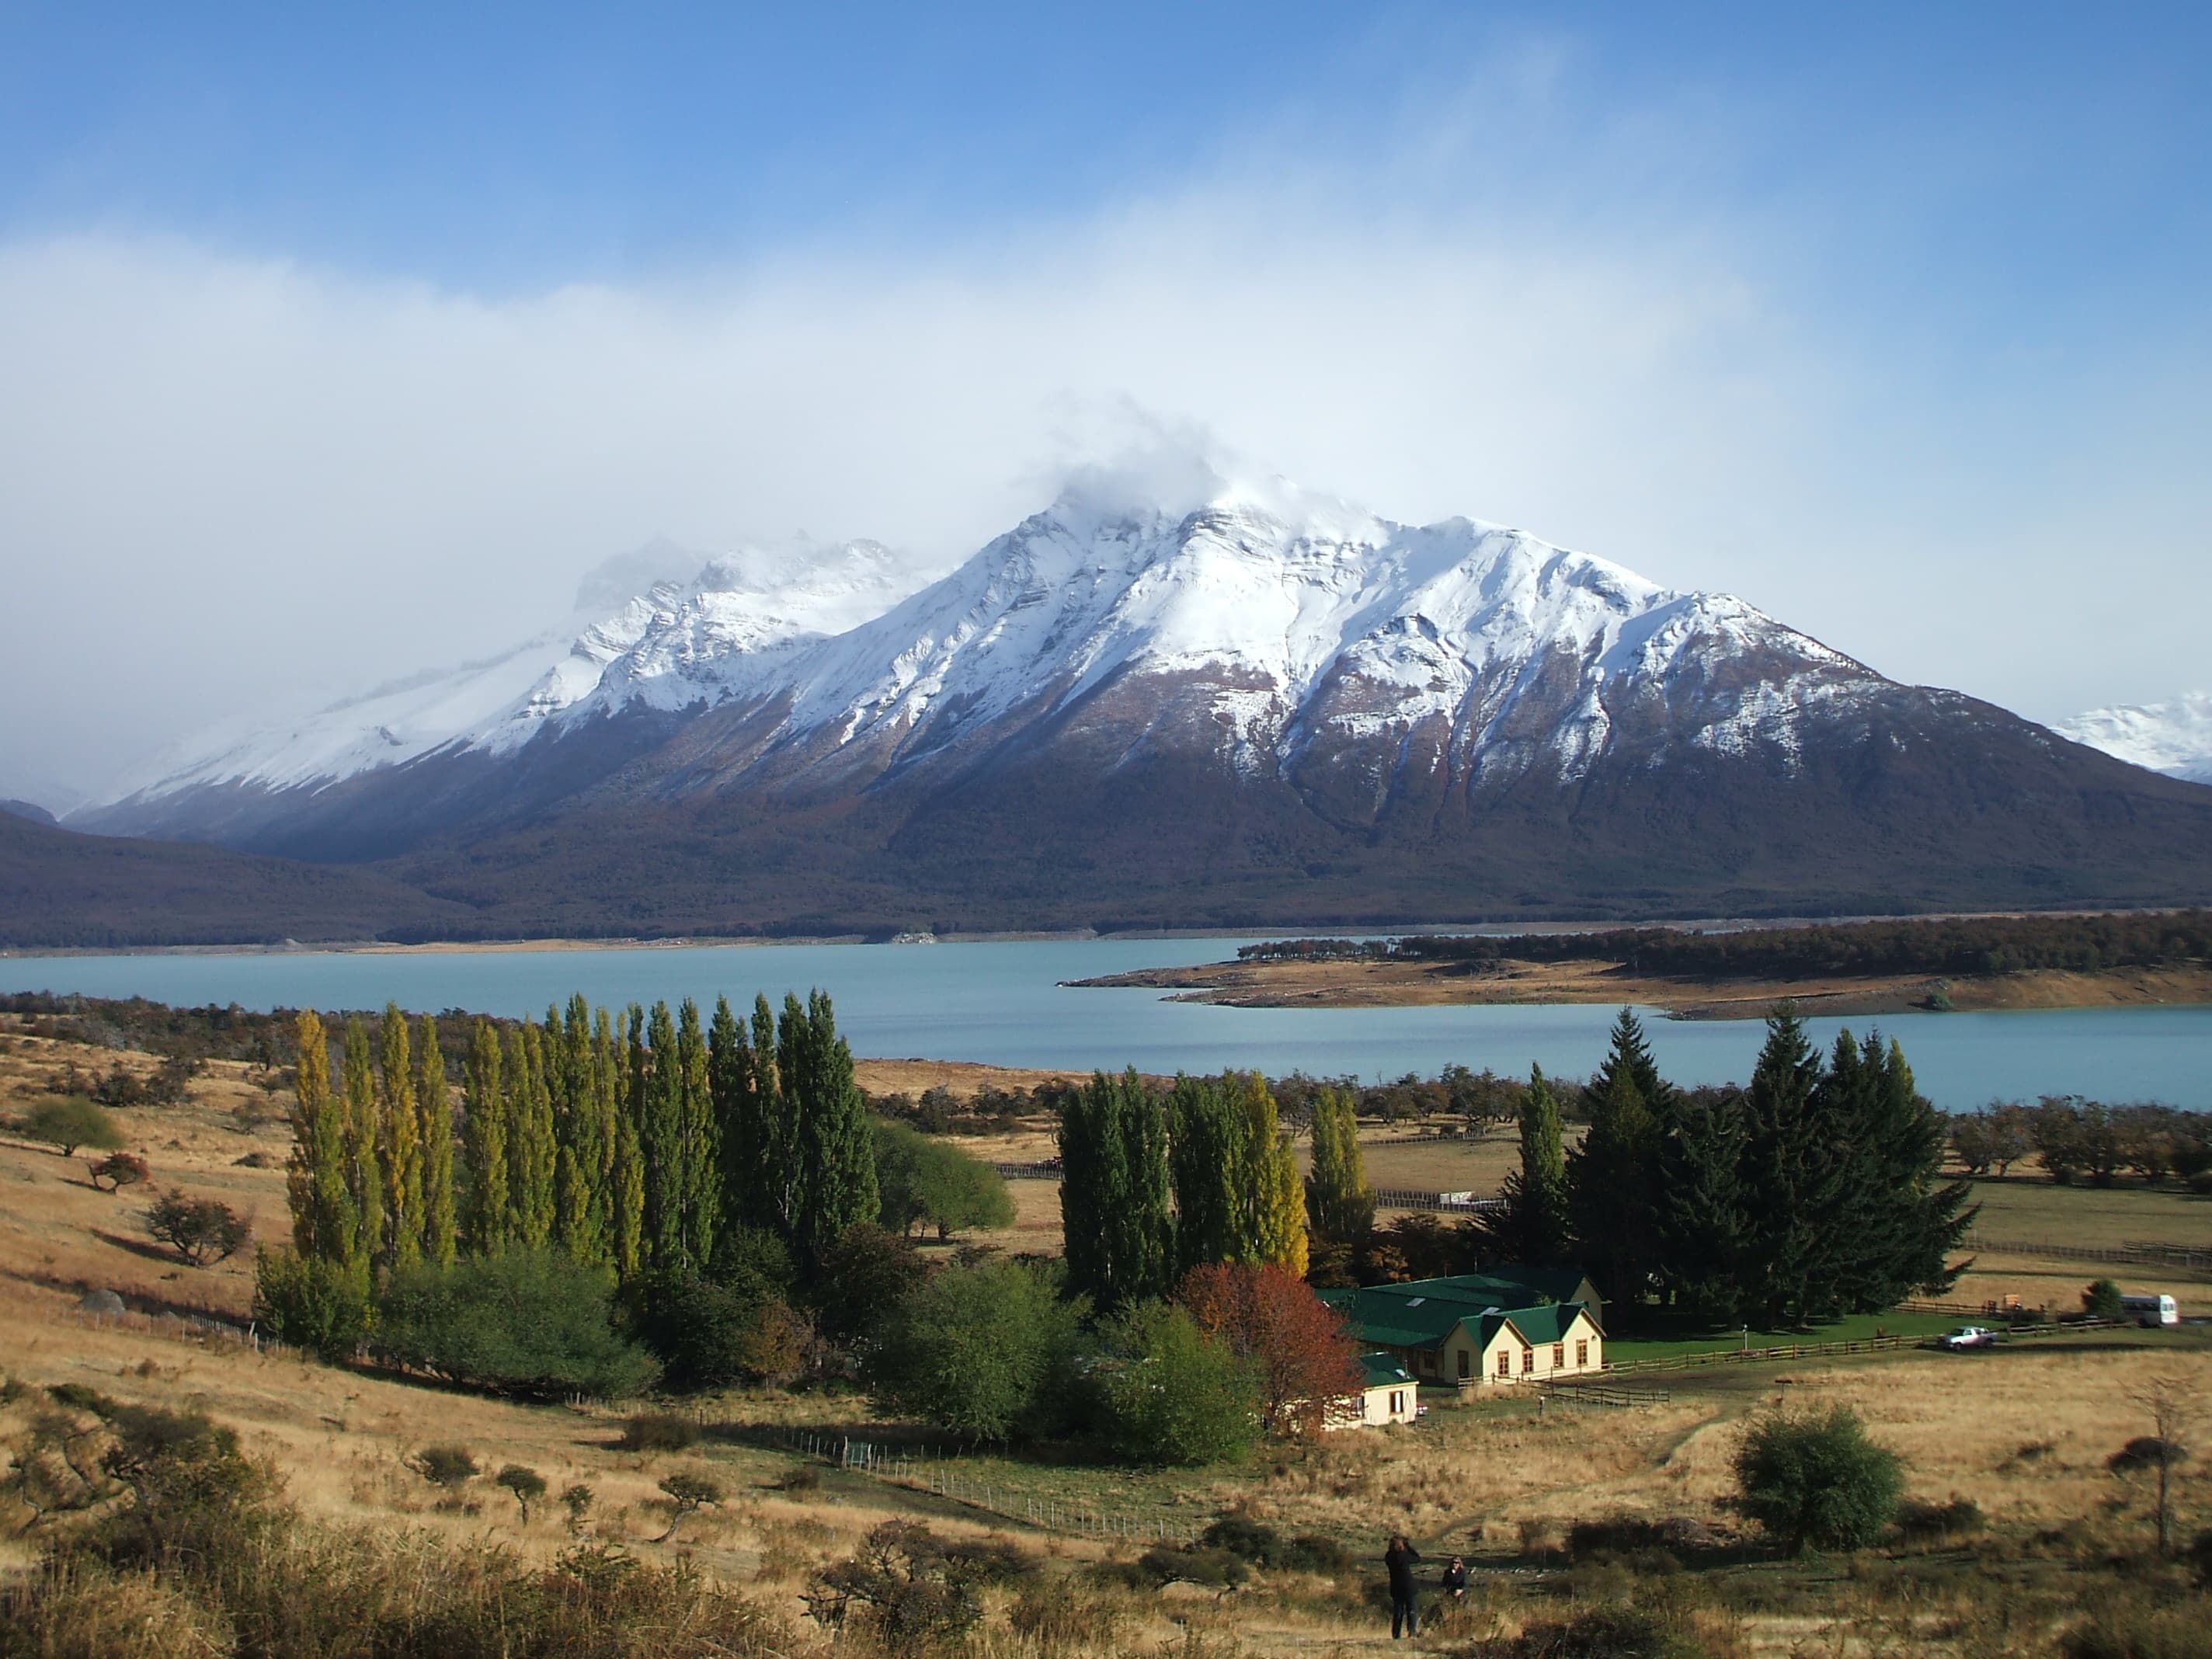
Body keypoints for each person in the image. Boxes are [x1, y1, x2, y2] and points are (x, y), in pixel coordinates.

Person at [1384, 1533, 1422, 1638]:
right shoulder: (1404, 1555)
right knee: (1412, 1610)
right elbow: (1417, 1559)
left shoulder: (1388, 1556)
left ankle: (1396, 1634)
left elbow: (1390, 1554)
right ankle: (1412, 1632)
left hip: (1395, 1587)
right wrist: (1408, 1546)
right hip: (1408, 1586)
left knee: (1398, 1612)